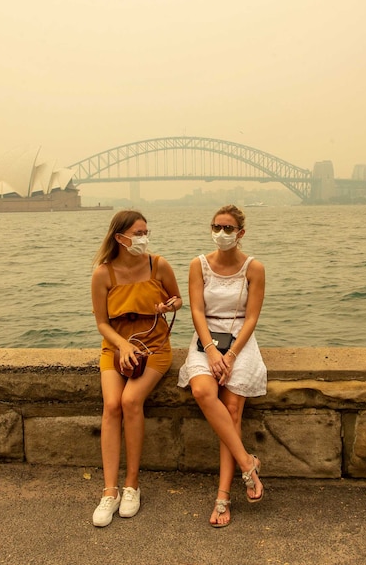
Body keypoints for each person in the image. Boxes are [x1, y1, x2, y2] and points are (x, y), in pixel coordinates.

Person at [90, 209, 182, 527]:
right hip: (115, 348)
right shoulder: (103, 273)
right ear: (120, 238)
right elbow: (102, 323)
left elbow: (178, 300)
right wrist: (122, 345)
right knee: (112, 405)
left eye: (146, 232)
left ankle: (132, 485)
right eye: (137, 233)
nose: (144, 239)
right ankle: (109, 491)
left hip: (154, 347)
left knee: (131, 401)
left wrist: (169, 304)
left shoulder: (159, 265)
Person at [178, 205, 267, 528]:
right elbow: (197, 312)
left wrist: (230, 356)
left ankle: (223, 495)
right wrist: (213, 352)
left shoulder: (254, 268)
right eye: (217, 227)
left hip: (240, 342)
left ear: (241, 233)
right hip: (207, 339)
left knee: (231, 409)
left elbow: (252, 317)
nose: (222, 233)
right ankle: (248, 463)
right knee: (203, 390)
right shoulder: (197, 265)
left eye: (229, 228)